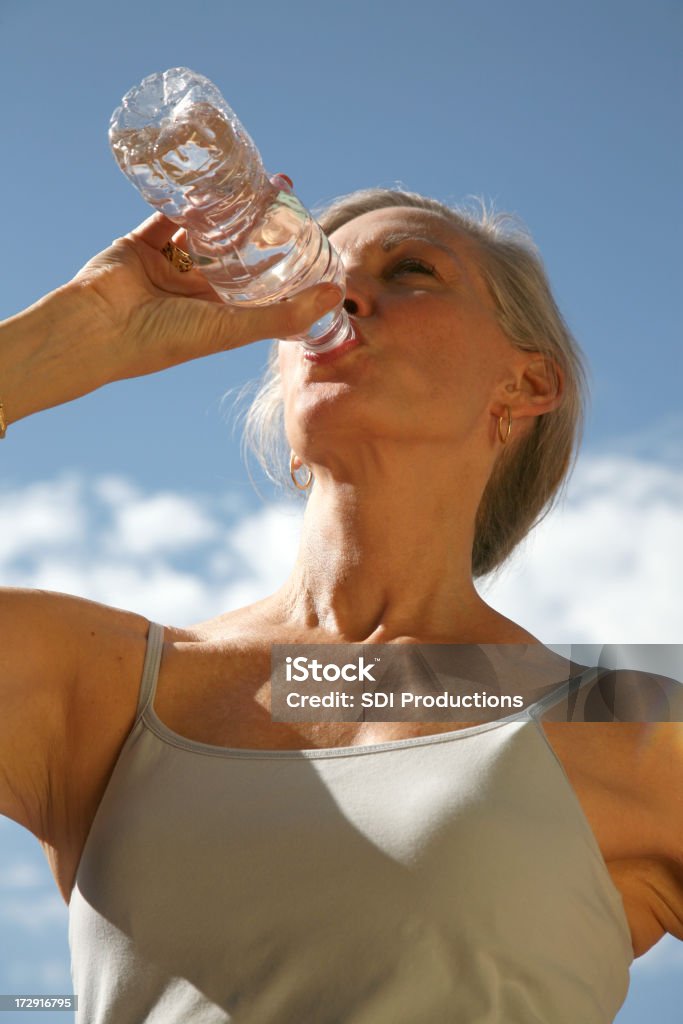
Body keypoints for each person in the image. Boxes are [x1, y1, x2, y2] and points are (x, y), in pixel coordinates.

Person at [0, 187, 681, 1024]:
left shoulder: (633, 729)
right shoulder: (101, 688)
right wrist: (71, 337)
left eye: (412, 272)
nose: (342, 297)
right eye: (319, 276)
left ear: (527, 382)